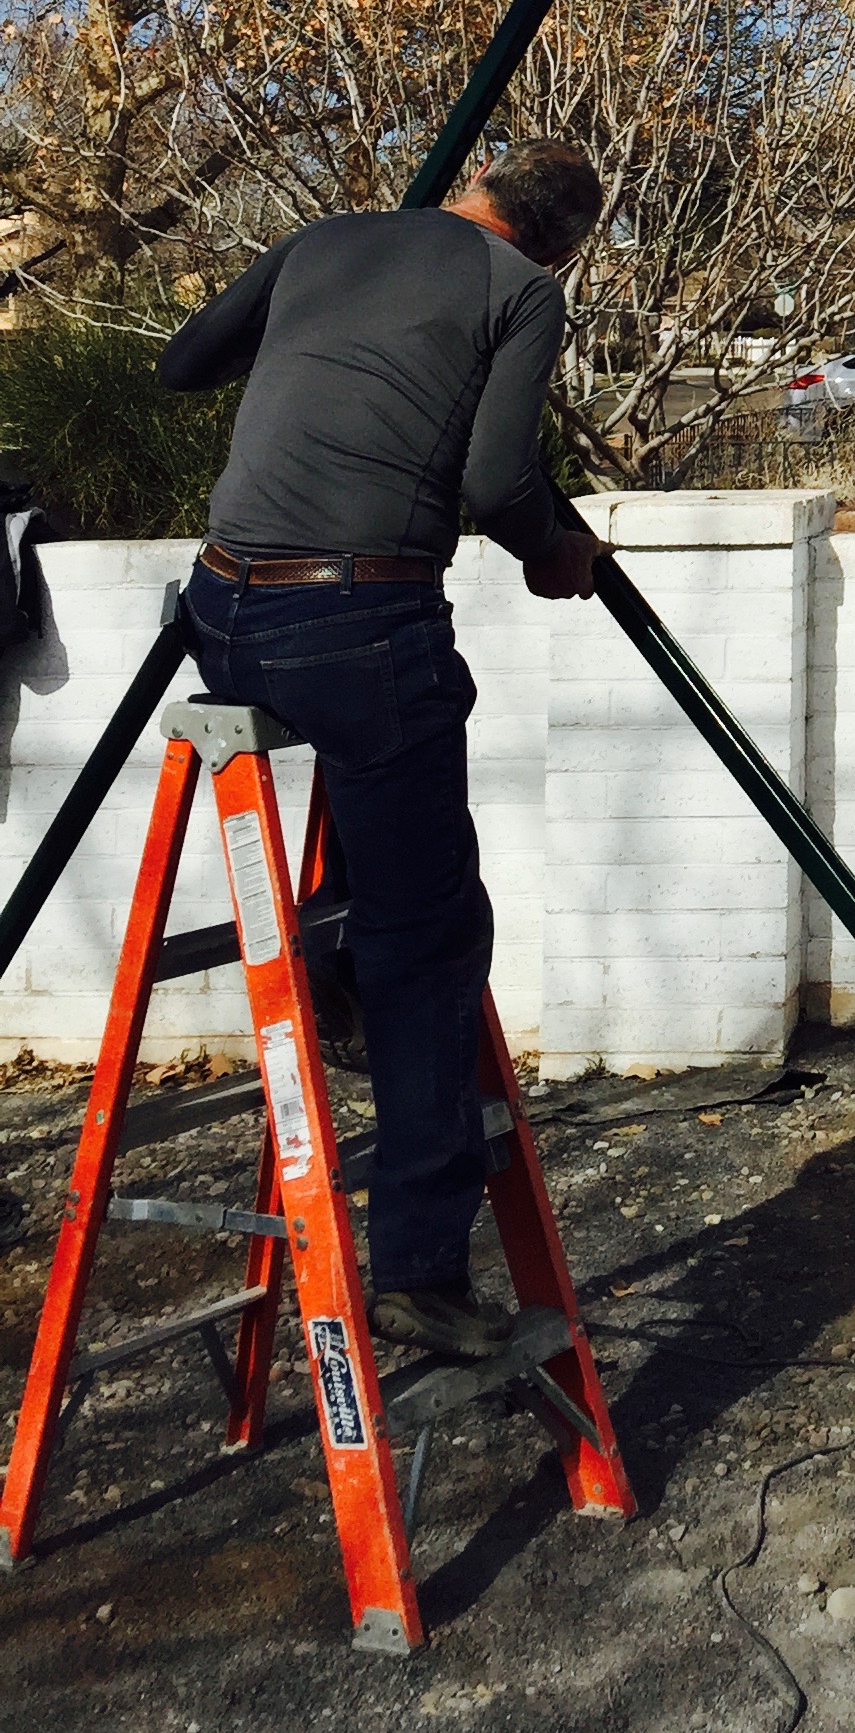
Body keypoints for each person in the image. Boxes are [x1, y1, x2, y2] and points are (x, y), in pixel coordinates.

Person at [158, 141, 607, 1360]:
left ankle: (335, 970)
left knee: (383, 785)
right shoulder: (523, 292)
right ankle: (418, 1271)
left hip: (221, 614)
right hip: (354, 623)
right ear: (562, 245)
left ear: (480, 184)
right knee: (436, 936)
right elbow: (498, 479)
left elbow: (183, 363)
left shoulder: (329, 238)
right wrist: (555, 550)